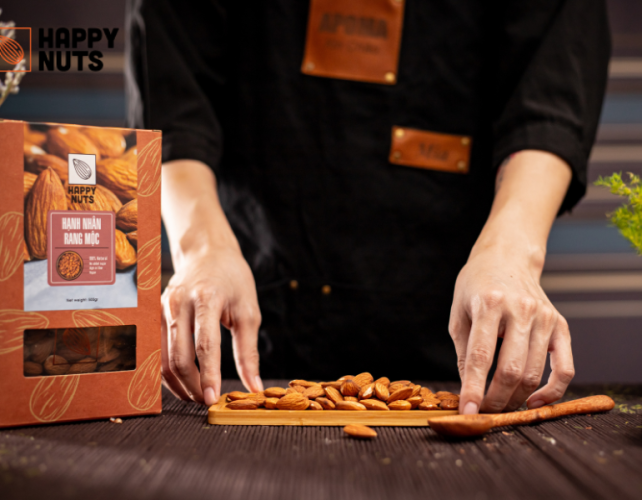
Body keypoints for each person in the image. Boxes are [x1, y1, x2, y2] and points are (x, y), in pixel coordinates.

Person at [126, 0, 610, 414]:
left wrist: (513, 254)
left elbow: (550, 93)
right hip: (255, 324)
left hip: (453, 324)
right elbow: (175, 97)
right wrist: (200, 248)